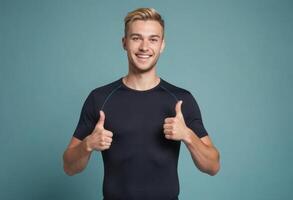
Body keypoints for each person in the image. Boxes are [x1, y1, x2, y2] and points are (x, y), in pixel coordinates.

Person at [63, 7, 220, 200]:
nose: (144, 47)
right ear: (124, 43)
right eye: (136, 38)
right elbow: (68, 167)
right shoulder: (100, 98)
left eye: (153, 39)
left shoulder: (180, 99)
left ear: (162, 45)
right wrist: (88, 144)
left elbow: (213, 166)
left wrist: (188, 135)